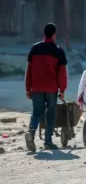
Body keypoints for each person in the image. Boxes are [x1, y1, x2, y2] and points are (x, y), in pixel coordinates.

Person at [24, 23, 68, 152]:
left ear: (44, 34)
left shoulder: (34, 49)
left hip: (36, 87)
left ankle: (31, 133)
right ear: (54, 35)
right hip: (51, 88)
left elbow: (29, 71)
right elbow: (62, 73)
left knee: (36, 112)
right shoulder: (58, 50)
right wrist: (62, 90)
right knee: (51, 114)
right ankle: (48, 142)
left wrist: (28, 88)